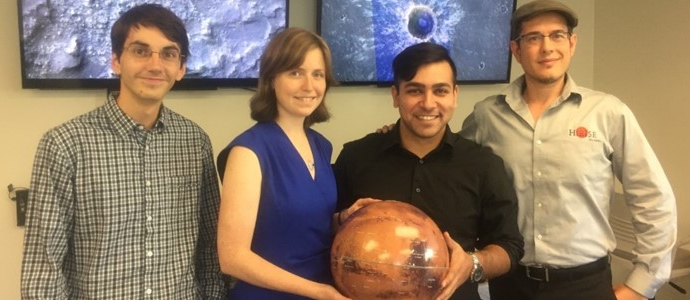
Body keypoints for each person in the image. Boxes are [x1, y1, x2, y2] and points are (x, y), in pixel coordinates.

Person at [459, 1, 677, 300]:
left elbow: (654, 199)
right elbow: (450, 168)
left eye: (557, 35)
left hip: (585, 285)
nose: (547, 47)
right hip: (510, 284)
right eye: (533, 38)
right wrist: (395, 134)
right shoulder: (487, 116)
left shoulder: (608, 112)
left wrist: (640, 286)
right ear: (516, 50)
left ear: (572, 43)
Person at [20, 4, 226, 299]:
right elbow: (44, 268)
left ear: (180, 68)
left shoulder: (195, 142)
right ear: (116, 61)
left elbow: (210, 246)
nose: (155, 65)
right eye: (141, 51)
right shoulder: (64, 145)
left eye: (168, 54)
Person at [334, 42, 524, 300]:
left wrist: (473, 264)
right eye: (415, 90)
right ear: (395, 95)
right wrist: (340, 219)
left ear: (455, 95)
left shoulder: (483, 165)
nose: (428, 103)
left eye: (440, 90)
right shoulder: (356, 158)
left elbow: (510, 247)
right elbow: (327, 227)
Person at [216, 27, 366, 300]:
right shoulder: (248, 152)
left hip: (325, 290)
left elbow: (304, 224)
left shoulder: (321, 145)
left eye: (317, 74)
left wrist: (343, 219)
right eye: (295, 73)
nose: (309, 86)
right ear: (272, 79)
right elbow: (232, 258)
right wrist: (317, 291)